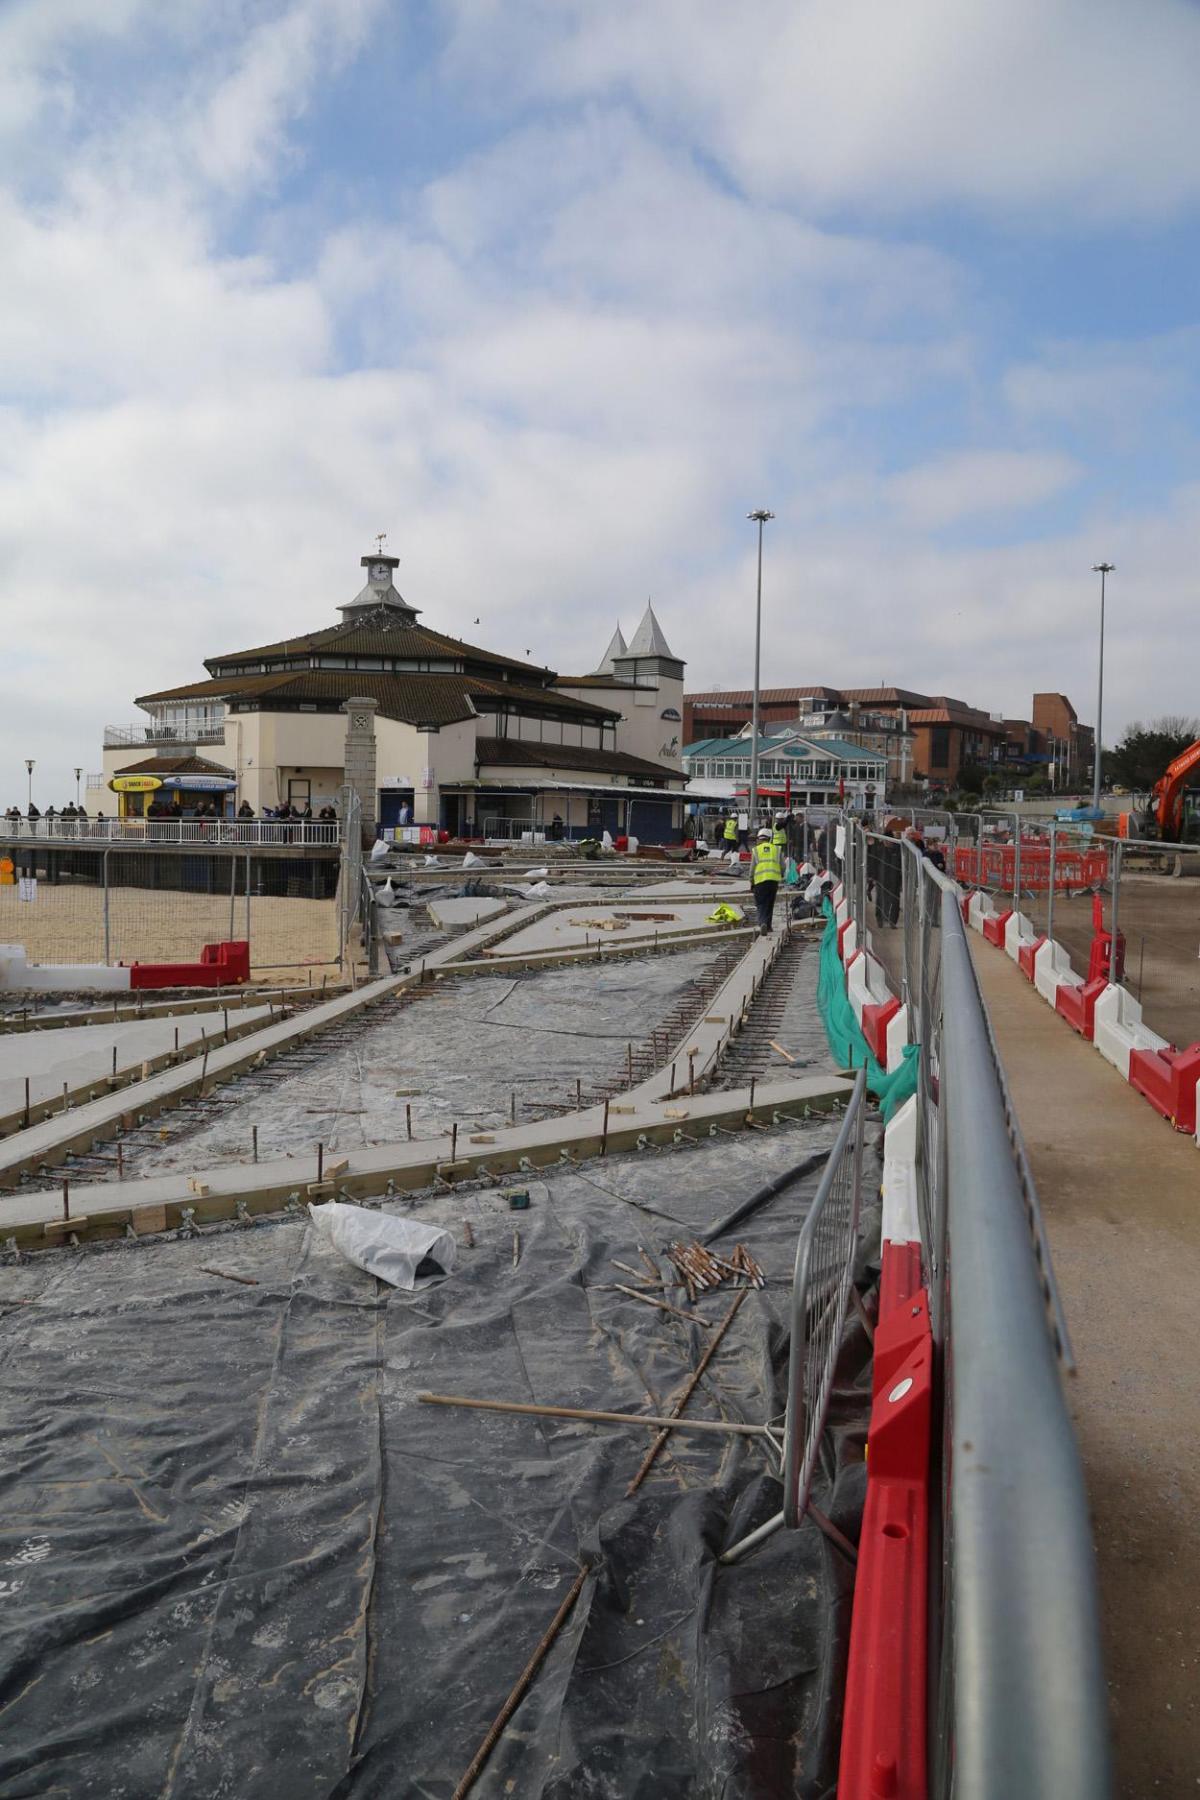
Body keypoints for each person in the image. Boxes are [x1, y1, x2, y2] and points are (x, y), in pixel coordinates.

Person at [749, 825, 783, 935]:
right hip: (773, 881)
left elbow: (752, 868)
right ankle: (768, 926)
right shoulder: (777, 849)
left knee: (760, 903)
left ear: (759, 838)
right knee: (770, 903)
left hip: (760, 881)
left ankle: (762, 922)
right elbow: (783, 866)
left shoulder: (756, 850)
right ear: (770, 838)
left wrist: (751, 881)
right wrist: (780, 875)